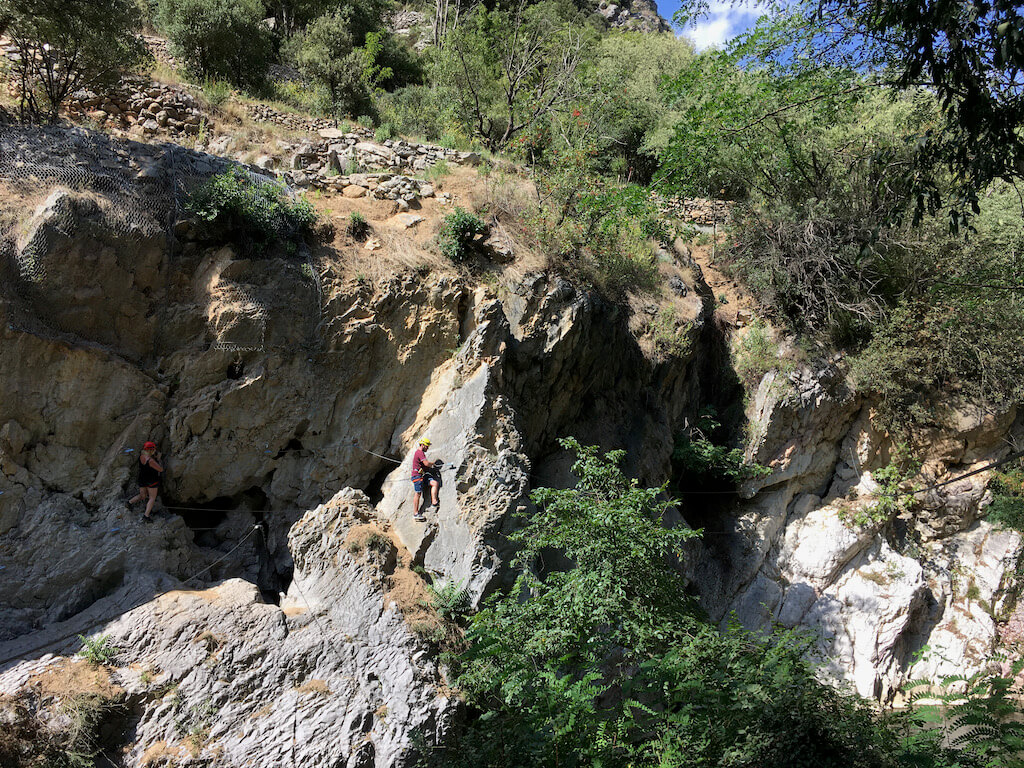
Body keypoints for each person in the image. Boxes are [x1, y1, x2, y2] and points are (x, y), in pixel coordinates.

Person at [128, 441, 163, 520]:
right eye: (153, 450)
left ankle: (129, 502)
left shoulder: (141, 456)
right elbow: (160, 469)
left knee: (142, 495)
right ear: (151, 450)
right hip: (151, 480)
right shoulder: (151, 460)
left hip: (142, 479)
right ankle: (146, 516)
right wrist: (158, 459)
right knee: (152, 498)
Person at [410, 438, 439, 522]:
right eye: (427, 446)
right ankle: (415, 513)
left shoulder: (420, 453)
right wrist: (433, 464)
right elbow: (426, 463)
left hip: (422, 476)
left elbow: (424, 466)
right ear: (422, 445)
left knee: (434, 483)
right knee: (418, 493)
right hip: (417, 476)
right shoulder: (419, 452)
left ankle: (434, 501)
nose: (427, 448)